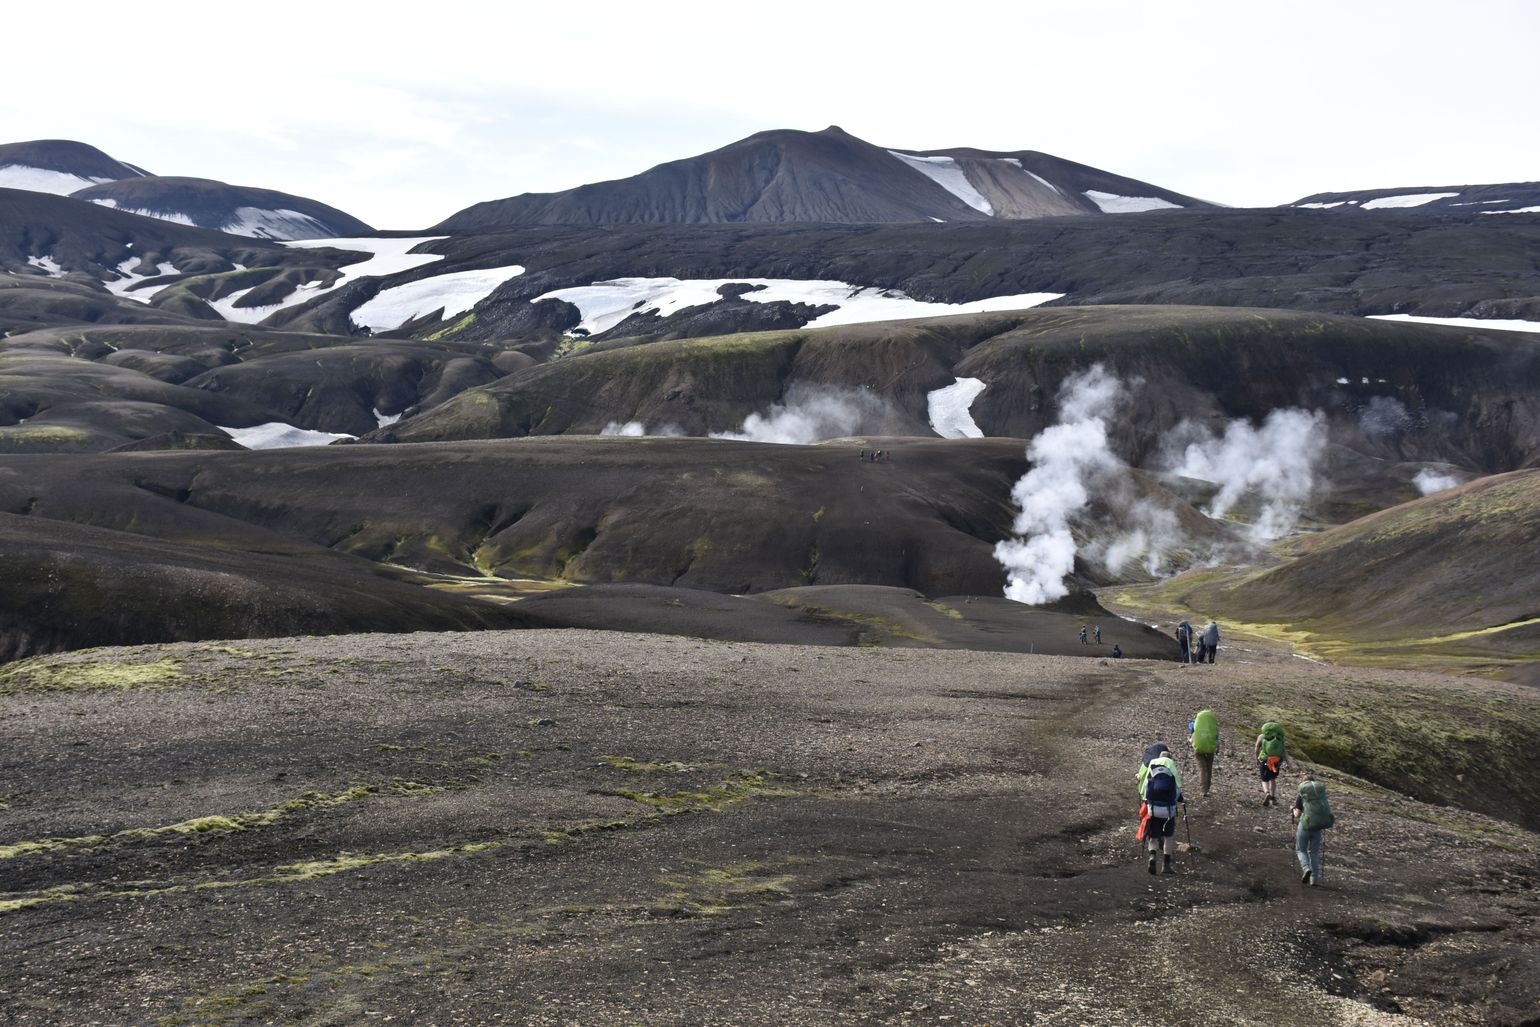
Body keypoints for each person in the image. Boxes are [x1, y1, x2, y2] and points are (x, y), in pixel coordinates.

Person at [1138, 747, 1184, 875]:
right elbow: (1178, 790)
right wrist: (1178, 800)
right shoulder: (1171, 767)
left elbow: (1146, 788)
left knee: (1153, 836)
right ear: (1170, 758)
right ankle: (1166, 865)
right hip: (1168, 811)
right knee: (1168, 837)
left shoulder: (1153, 766)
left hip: (1153, 810)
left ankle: (1152, 856)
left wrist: (1147, 801)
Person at [1292, 771, 1335, 885]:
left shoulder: (1302, 795)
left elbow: (1297, 814)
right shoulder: (1320, 796)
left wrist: (1293, 810)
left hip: (1305, 826)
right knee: (1314, 852)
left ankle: (1306, 868)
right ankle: (1314, 880)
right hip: (1318, 827)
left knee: (1301, 849)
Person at [1256, 721, 1287, 806]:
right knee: (1272, 779)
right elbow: (1283, 751)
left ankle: (1267, 793)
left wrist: (1257, 759)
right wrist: (1288, 763)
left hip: (1265, 760)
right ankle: (1273, 798)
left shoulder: (1261, 736)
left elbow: (1256, 748)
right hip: (1276, 761)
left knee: (1264, 779)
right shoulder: (1279, 737)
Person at [1188, 709, 1219, 796]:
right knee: (1209, 768)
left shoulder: (1195, 723)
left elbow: (1192, 733)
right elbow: (1217, 736)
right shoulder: (1213, 724)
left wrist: (1190, 740)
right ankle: (1207, 788)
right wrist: (1217, 748)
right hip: (1210, 749)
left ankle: (1203, 790)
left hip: (1198, 749)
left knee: (1202, 769)